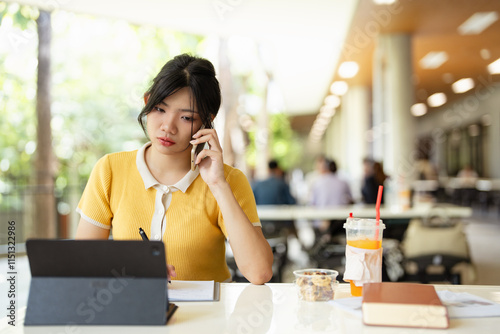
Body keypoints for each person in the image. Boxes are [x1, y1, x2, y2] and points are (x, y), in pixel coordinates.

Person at [75, 54, 273, 285]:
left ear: (207, 122)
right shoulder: (109, 169)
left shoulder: (228, 180)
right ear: (147, 101)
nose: (168, 127)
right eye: (159, 109)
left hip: (209, 318)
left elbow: (259, 272)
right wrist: (133, 266)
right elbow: (81, 264)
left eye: (186, 117)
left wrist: (218, 185)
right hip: (133, 312)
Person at [309, 157, 353, 238]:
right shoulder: (343, 182)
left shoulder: (317, 182)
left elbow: (312, 203)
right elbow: (351, 200)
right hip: (340, 222)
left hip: (321, 222)